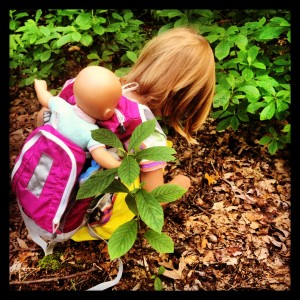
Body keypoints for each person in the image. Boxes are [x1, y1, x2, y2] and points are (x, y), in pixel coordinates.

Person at [37, 26, 216, 195]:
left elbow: (42, 116)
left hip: (37, 182)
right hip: (75, 213)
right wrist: (180, 184)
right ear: (181, 99)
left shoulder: (93, 84)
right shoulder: (146, 130)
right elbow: (152, 199)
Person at [34, 65, 123, 170]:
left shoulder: (60, 105)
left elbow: (44, 96)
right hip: (60, 171)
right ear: (107, 113)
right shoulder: (93, 133)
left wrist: (40, 86)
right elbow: (101, 156)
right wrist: (118, 165)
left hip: (38, 154)